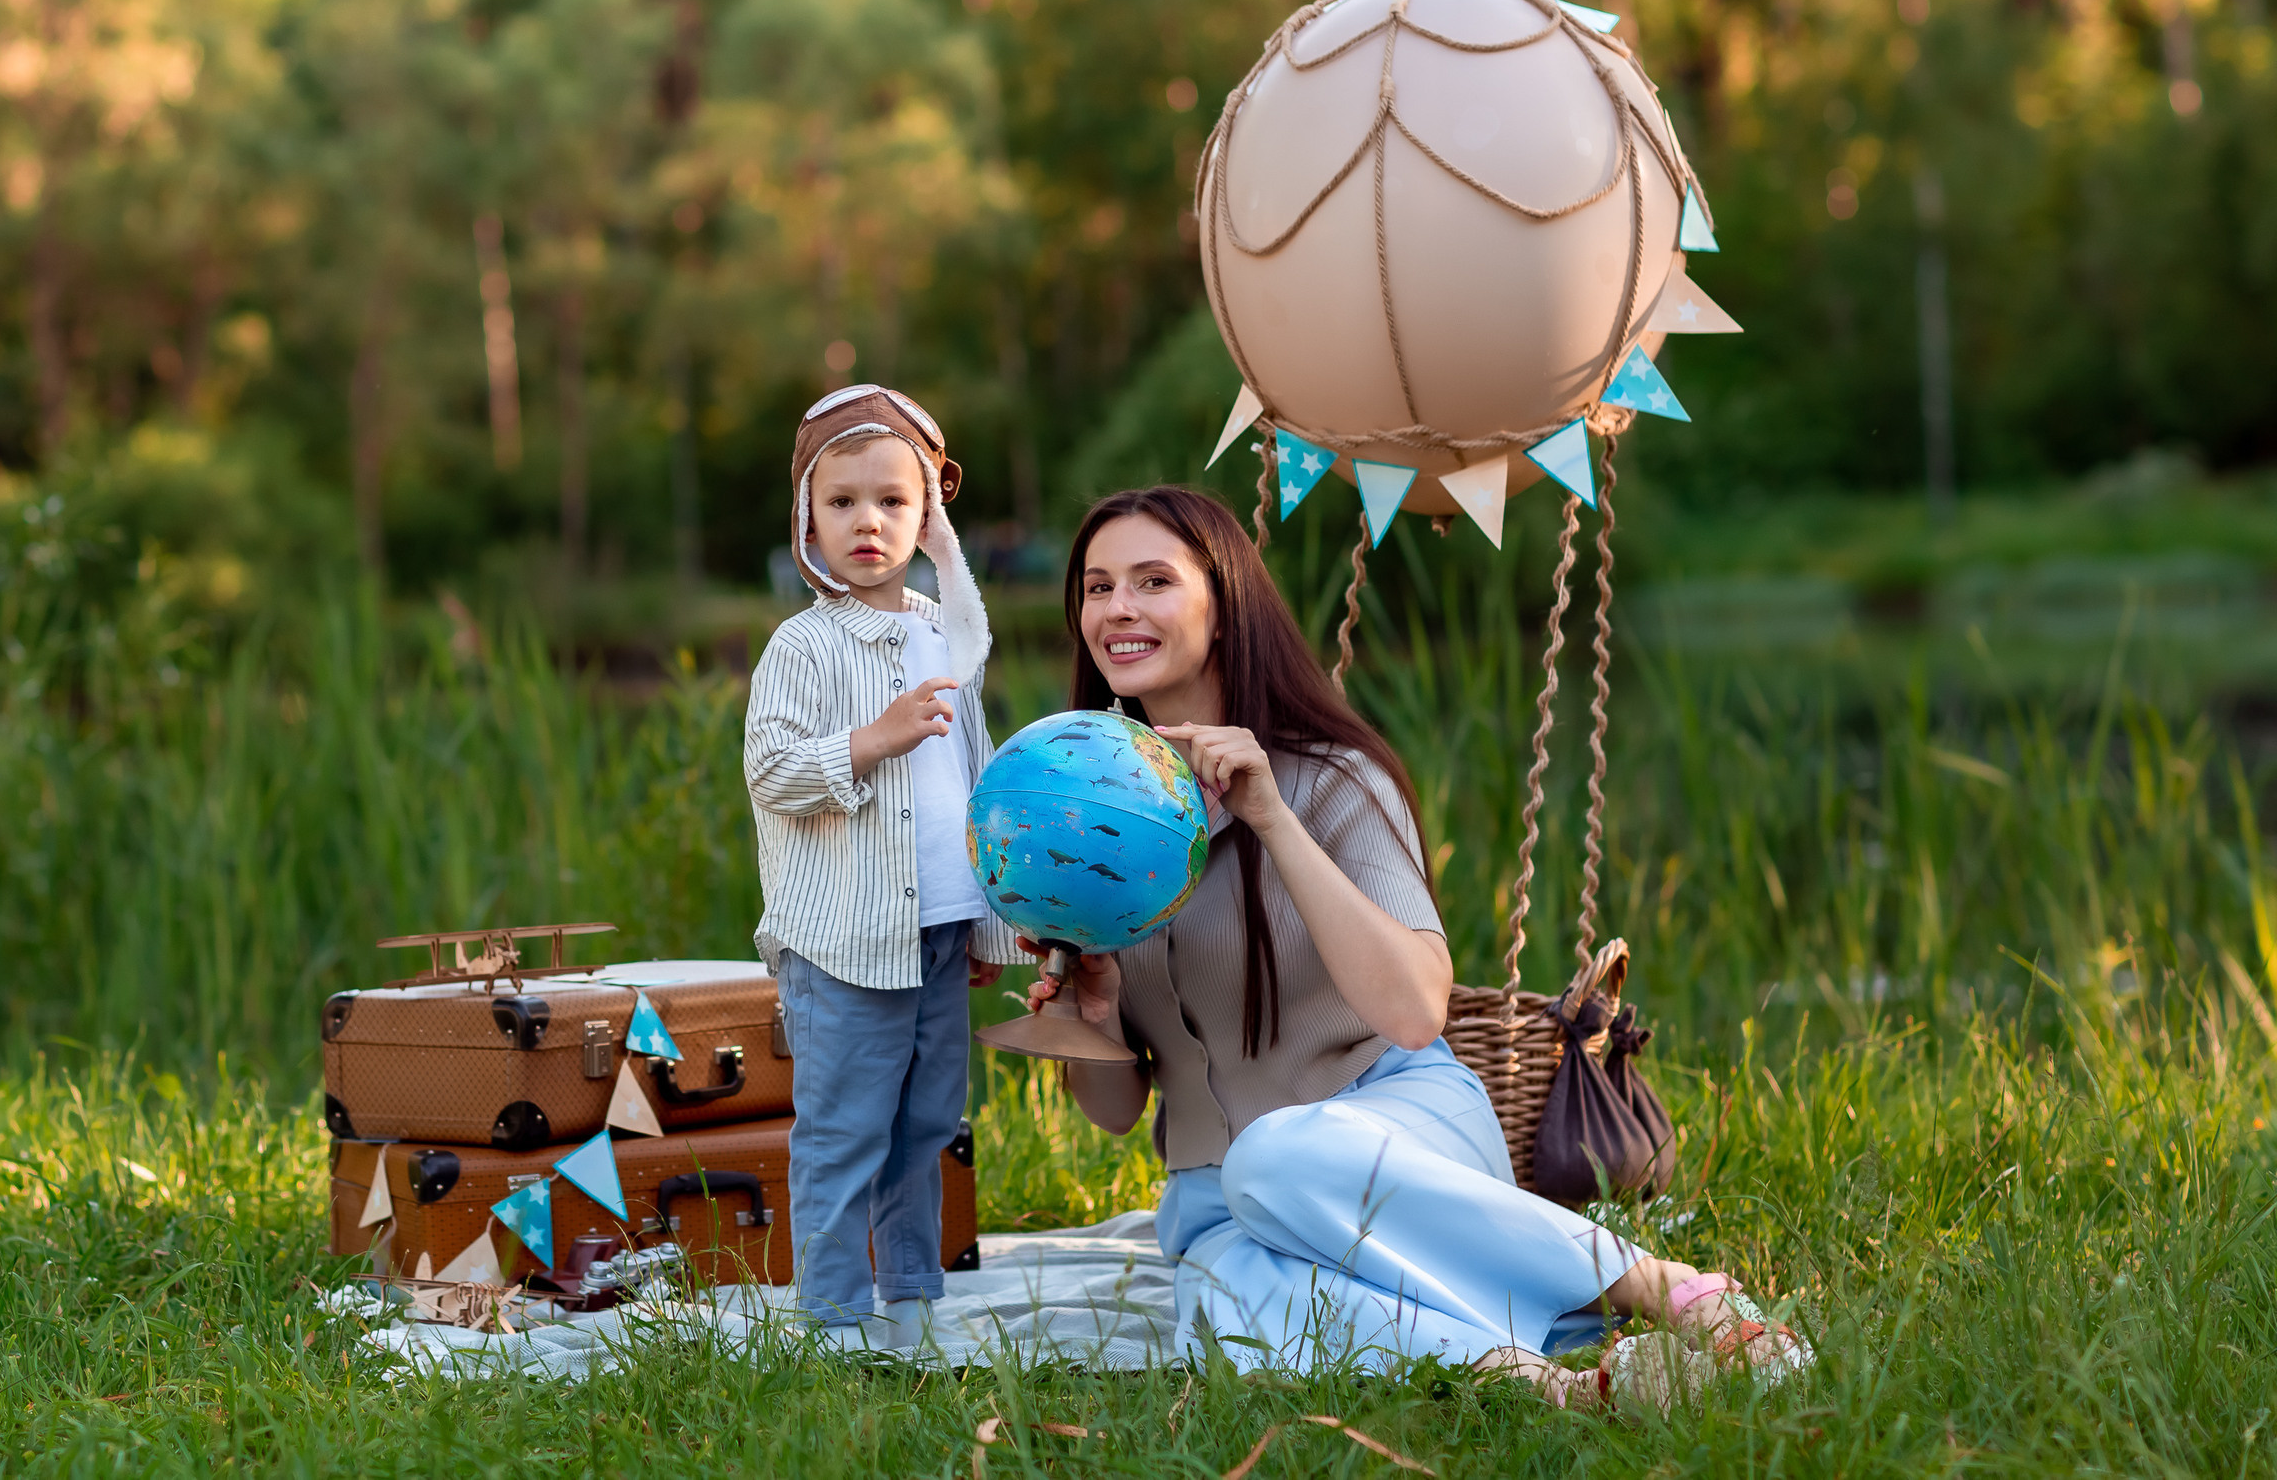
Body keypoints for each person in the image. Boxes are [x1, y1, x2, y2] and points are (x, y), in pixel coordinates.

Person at [1024, 484, 1808, 1407]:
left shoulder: (1333, 780)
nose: (1118, 609)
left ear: (1224, 603)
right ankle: (1552, 1389)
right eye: (1097, 586)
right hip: (1213, 1200)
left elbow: (1410, 1010)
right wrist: (1096, 1016)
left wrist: (1272, 818)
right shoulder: (1077, 821)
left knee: (1272, 1161)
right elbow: (1115, 1111)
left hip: (1392, 1135)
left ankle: (1658, 1285)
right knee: (1237, 1297)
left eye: (1153, 580)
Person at [743, 385, 1026, 1348]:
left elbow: (971, 775)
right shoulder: (804, 645)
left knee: (926, 1119)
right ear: (806, 520)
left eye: (893, 501)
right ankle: (828, 1314)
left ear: (929, 514)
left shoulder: (946, 632)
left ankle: (908, 1298)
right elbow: (774, 770)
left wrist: (990, 916)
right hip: (846, 935)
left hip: (940, 929)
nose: (869, 521)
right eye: (842, 502)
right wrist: (870, 740)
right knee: (845, 1127)